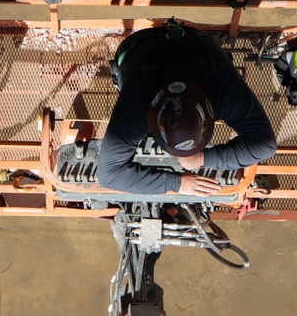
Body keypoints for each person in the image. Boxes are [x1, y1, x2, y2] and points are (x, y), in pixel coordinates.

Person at [98, 21, 276, 196]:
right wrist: (177, 183)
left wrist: (202, 158)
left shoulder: (224, 92)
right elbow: (108, 175)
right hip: (152, 45)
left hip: (178, 45)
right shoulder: (136, 104)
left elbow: (265, 145)